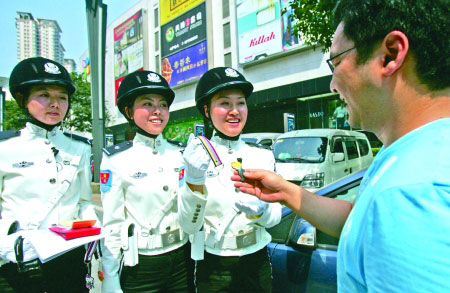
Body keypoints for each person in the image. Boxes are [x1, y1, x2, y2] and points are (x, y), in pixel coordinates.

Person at [233, 0, 450, 292]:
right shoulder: (409, 150)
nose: (332, 85)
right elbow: (361, 223)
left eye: (336, 63)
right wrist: (287, 192)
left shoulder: (412, 194)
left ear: (390, 54)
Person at [178, 67, 282, 292]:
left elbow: (275, 218)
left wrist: (261, 211)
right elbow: (188, 225)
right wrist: (193, 180)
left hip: (257, 261)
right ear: (206, 110)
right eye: (224, 103)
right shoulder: (195, 157)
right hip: (214, 266)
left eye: (240, 103)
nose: (235, 111)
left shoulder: (262, 155)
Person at [0, 57, 98, 292]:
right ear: (23, 99)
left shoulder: (80, 148)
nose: (55, 104)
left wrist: (92, 235)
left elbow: (84, 202)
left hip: (69, 261)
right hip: (16, 264)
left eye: (62, 98)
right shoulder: (5, 147)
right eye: (44, 95)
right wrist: (8, 246)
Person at [100, 70, 194, 292]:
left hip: (181, 259)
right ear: (129, 111)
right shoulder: (116, 159)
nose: (157, 111)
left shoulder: (180, 153)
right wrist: (111, 278)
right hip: (141, 266)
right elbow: (112, 224)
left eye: (163, 105)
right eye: (147, 104)